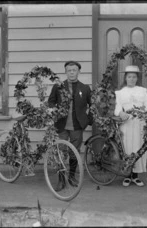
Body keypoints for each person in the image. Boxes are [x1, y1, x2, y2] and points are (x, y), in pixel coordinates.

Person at [48, 60, 92, 191]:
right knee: (60, 151)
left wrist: (87, 120)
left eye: (74, 70)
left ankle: (71, 177)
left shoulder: (85, 88)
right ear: (66, 72)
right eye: (69, 70)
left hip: (77, 126)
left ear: (78, 72)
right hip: (62, 125)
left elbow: (93, 105)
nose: (72, 72)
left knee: (74, 152)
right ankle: (61, 179)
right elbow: (51, 102)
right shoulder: (58, 87)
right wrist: (52, 111)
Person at [114, 65, 147, 187]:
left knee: (138, 148)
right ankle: (127, 175)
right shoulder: (120, 93)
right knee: (127, 148)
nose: (131, 79)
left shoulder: (142, 91)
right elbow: (117, 108)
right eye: (129, 77)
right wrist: (121, 113)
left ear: (137, 78)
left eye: (134, 77)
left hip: (139, 123)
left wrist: (142, 112)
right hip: (127, 124)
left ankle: (135, 176)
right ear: (125, 78)